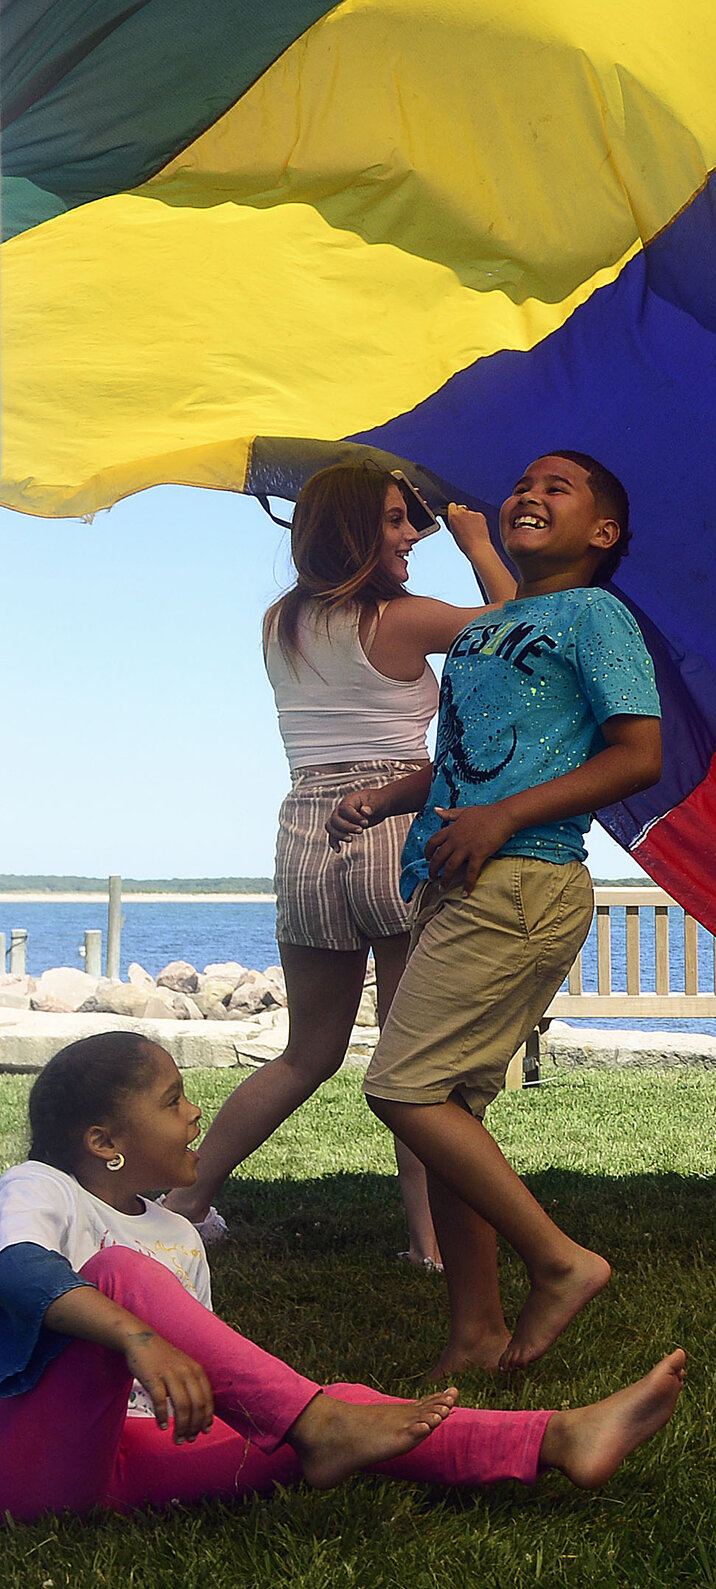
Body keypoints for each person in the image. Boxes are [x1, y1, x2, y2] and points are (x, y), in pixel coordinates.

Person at [0, 1033, 685, 1521]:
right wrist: (137, 1337)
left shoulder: (178, 1233)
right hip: (31, 1462)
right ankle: (321, 1425)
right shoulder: (40, 1188)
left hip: (135, 1460)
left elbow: (200, 1383)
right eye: (173, 1099)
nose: (194, 1112)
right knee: (119, 1271)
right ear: (104, 1142)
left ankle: (558, 1438)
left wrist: (242, 1409)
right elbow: (18, 1270)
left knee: (349, 1405)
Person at [334, 453, 663, 1375]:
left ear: (602, 534)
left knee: (402, 1087)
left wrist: (506, 817)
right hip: (458, 878)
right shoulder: (493, 627)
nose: (530, 493)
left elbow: (640, 754)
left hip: (524, 879)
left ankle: (560, 1262)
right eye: (524, 482)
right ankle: (475, 1331)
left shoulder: (595, 615)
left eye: (559, 488)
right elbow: (466, 761)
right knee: (451, 1109)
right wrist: (388, 796)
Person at [166, 461, 517, 1270]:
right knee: (416, 1061)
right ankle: (429, 1242)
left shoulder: (279, 623)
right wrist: (473, 538)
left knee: (307, 1052)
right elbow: (514, 621)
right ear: (357, 532)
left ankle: (189, 1197)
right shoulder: (399, 619)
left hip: (305, 831)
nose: (410, 537)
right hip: (392, 821)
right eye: (396, 521)